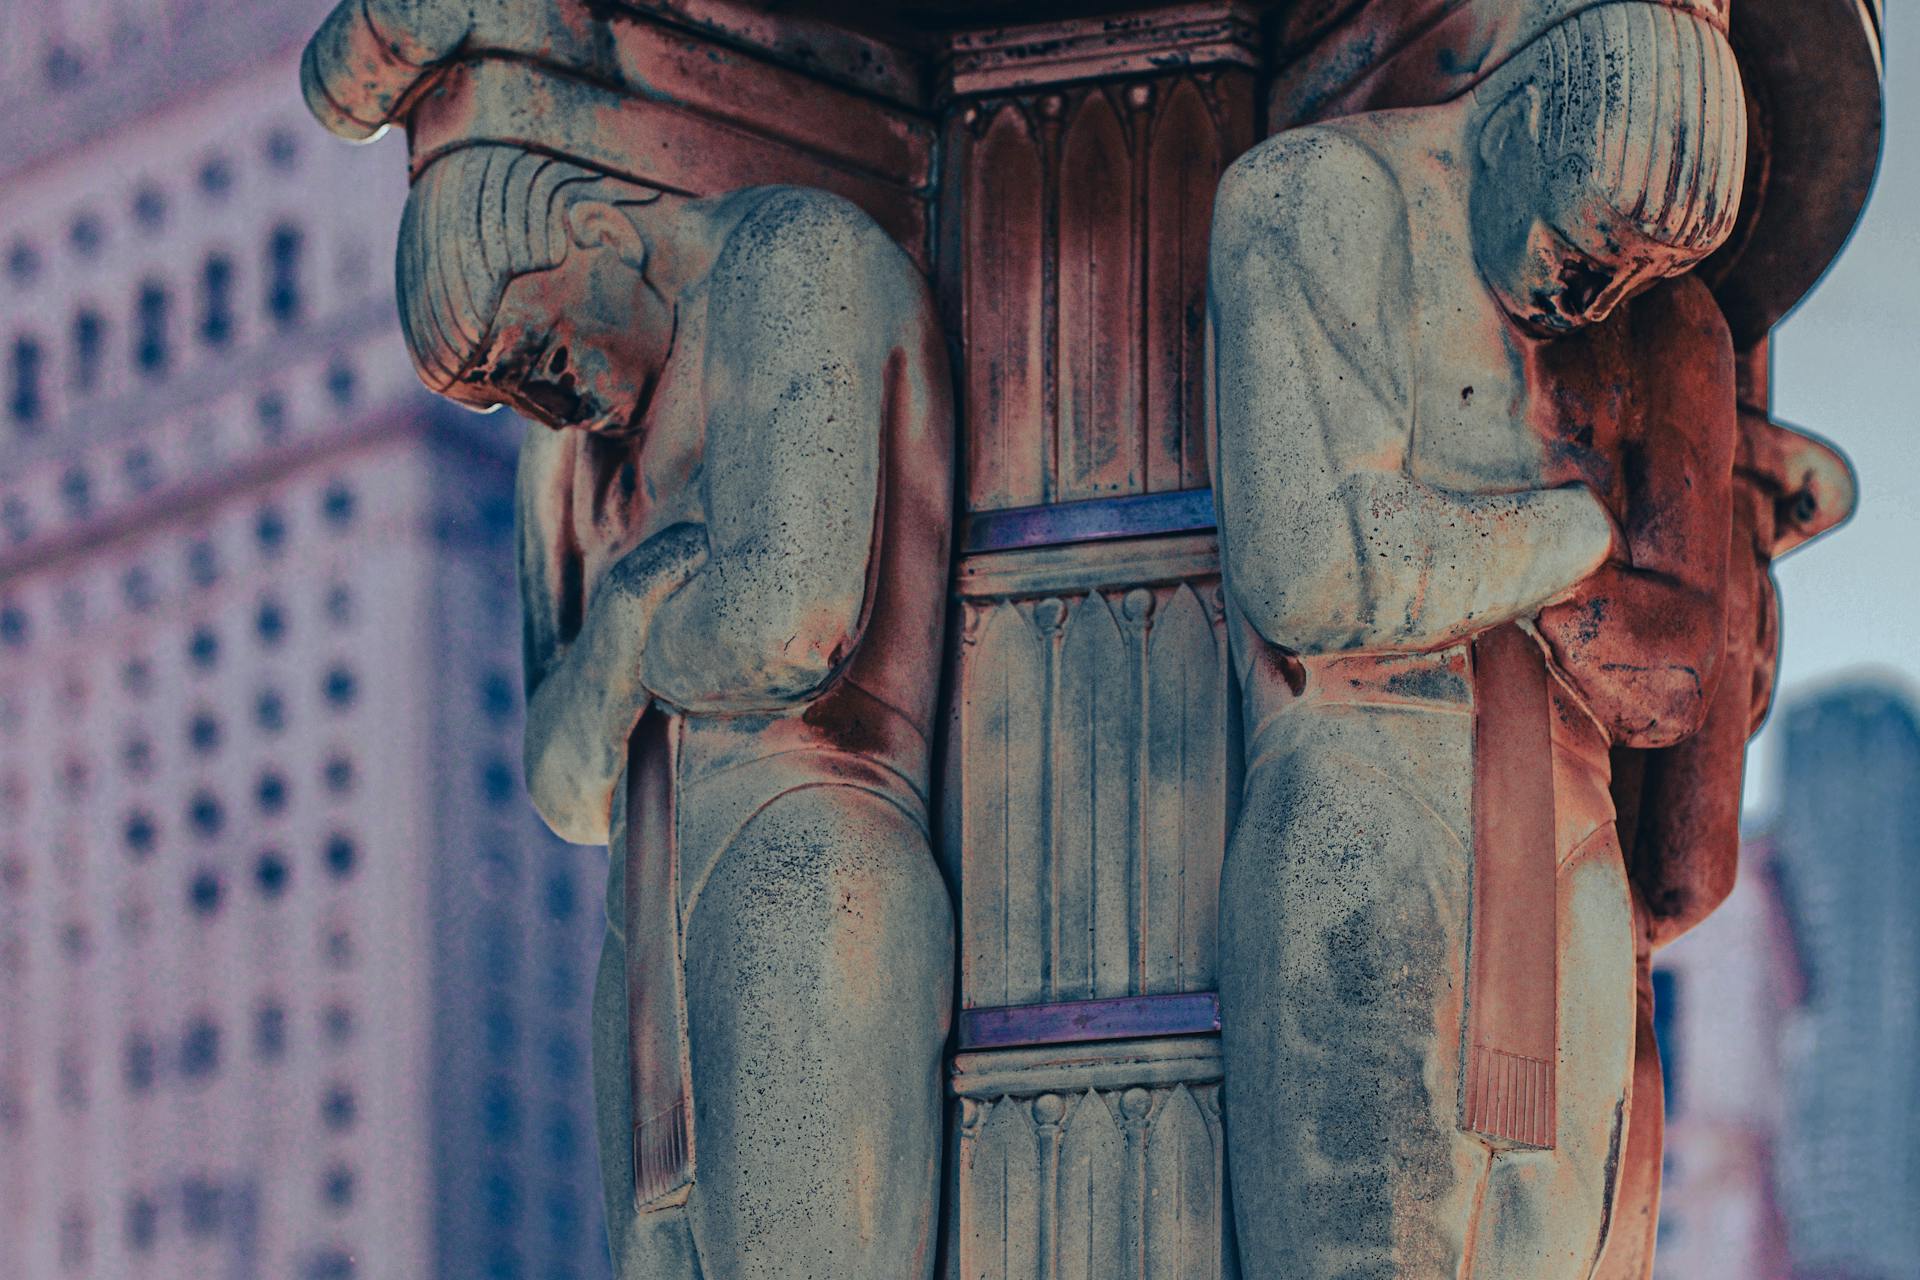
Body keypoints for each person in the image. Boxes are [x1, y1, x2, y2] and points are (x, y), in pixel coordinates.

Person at [1208, 4, 1746, 1274]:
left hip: (1568, 834)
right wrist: (1566, 538)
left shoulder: (1663, 326)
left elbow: (1676, 676)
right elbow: (1317, 566)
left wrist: (1462, 556)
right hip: (1365, 796)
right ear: (1519, 117)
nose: (1593, 292)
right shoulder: (1319, 196)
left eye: (1630, 274)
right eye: (1585, 241)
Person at [395, 144, 955, 1279]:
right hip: (643, 933)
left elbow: (789, 624)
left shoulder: (792, 259)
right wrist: (634, 611)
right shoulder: (562, 451)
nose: (556, 398)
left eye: (548, 351)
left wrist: (625, 660)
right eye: (518, 389)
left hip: (804, 849)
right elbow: (562, 779)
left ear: (601, 233)